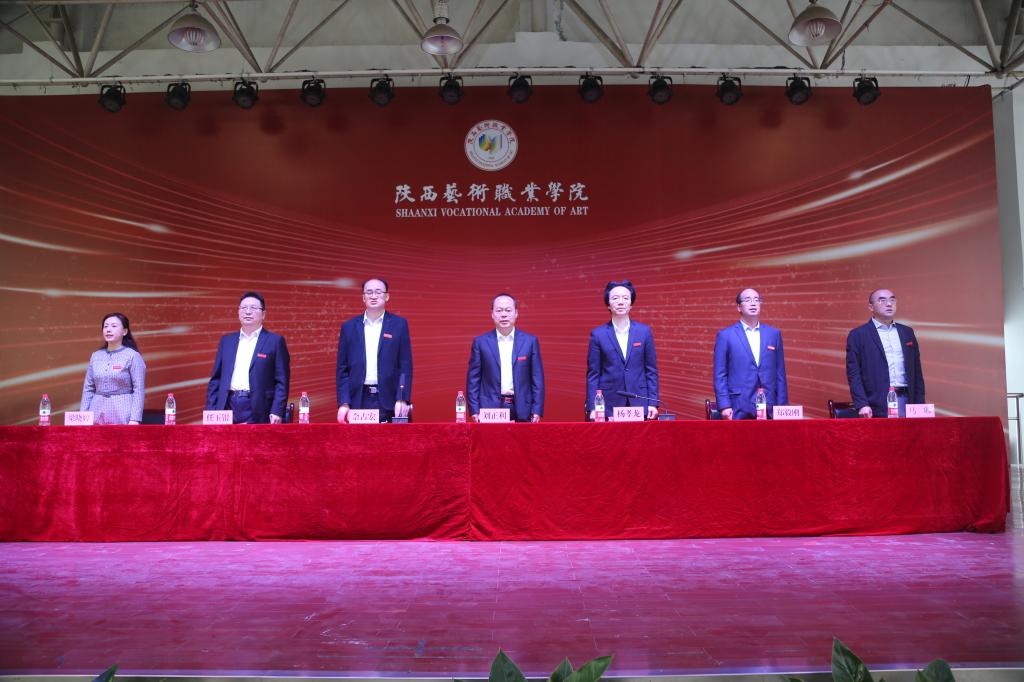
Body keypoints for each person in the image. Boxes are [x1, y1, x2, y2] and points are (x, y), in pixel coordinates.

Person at [206, 292, 290, 424]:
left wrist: (277, 410)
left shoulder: (275, 341)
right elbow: (216, 380)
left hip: (259, 406)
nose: (248, 312)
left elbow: (282, 381)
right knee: (226, 438)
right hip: (227, 405)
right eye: (244, 308)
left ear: (263, 314)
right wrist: (211, 410)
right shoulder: (226, 341)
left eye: (253, 308)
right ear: (238, 312)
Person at [336, 278, 413, 423]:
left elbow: (405, 366)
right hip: (358, 399)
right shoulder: (349, 327)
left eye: (378, 292)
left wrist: (402, 398)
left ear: (387, 296)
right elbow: (342, 369)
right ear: (363, 297)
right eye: (369, 292)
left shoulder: (399, 325)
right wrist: (344, 402)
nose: (373, 296)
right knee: (359, 438)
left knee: (391, 438)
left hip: (390, 401)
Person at [586, 280, 659, 420]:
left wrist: (653, 402)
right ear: (608, 304)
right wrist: (593, 407)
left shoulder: (644, 332)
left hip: (640, 401)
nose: (620, 302)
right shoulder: (598, 334)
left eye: (625, 298)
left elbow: (651, 371)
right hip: (609, 403)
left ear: (631, 304)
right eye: (615, 298)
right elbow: (593, 374)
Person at [846, 288, 925, 418]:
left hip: (908, 399)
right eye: (882, 300)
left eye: (892, 300)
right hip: (877, 401)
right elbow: (854, 374)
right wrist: (862, 404)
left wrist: (919, 403)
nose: (889, 304)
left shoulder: (907, 332)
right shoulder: (858, 335)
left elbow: (916, 372)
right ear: (871, 307)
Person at [466, 293, 544, 423]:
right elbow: (473, 380)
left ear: (516, 313)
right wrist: (474, 410)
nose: (503, 314)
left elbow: (537, 379)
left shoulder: (530, 341)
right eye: (499, 310)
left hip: (523, 408)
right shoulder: (480, 342)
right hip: (489, 409)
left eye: (508, 310)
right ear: (492, 314)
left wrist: (537, 409)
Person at [712, 288, 788, 420]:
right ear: (739, 307)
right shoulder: (726, 335)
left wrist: (782, 407)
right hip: (738, 406)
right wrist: (724, 405)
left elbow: (780, 373)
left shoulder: (773, 334)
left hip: (770, 406)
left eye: (756, 300)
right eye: (748, 300)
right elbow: (720, 374)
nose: (753, 303)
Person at [81, 312, 146, 425]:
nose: (108, 330)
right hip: (96, 411)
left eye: (114, 326)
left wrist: (135, 419)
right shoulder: (96, 356)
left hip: (123, 412)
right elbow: (88, 388)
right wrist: (83, 416)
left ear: (124, 331)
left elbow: (139, 389)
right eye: (106, 326)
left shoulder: (132, 356)